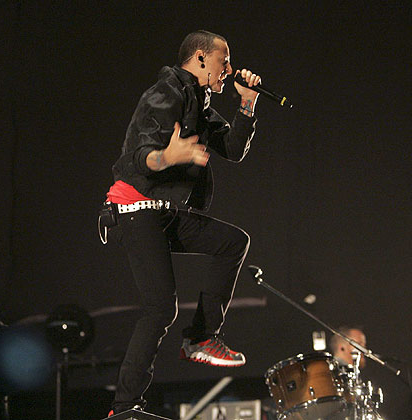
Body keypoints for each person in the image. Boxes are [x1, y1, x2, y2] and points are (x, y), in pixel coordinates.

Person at [101, 30, 262, 416]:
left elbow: (233, 149)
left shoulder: (200, 102)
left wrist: (247, 103)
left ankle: (202, 338)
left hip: (162, 211)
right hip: (133, 208)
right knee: (160, 308)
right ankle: (123, 408)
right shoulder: (166, 92)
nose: (229, 69)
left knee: (232, 242)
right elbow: (139, 155)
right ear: (201, 58)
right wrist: (167, 157)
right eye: (224, 61)